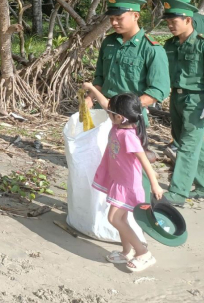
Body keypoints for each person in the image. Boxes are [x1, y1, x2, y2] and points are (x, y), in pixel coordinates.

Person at [81, 89, 163, 272]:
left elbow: (144, 162)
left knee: (114, 218)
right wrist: (92, 89)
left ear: (120, 117)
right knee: (122, 218)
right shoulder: (117, 126)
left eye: (111, 113)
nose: (107, 112)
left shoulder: (128, 136)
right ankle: (126, 251)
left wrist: (155, 184)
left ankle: (143, 253)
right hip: (118, 180)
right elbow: (105, 104)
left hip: (127, 185)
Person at [84, 0, 169, 157]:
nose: (114, 22)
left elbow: (158, 90)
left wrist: (127, 109)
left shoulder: (151, 49)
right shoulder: (109, 43)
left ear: (135, 15)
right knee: (104, 161)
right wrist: (90, 97)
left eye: (119, 18)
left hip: (131, 119)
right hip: (103, 114)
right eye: (111, 18)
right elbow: (100, 76)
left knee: (134, 166)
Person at [160, 0, 204, 204]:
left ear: (188, 20)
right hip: (175, 97)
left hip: (197, 100)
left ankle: (178, 193)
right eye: (167, 22)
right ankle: (203, 184)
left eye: (174, 22)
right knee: (185, 141)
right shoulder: (169, 45)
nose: (169, 26)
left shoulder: (201, 44)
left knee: (187, 145)